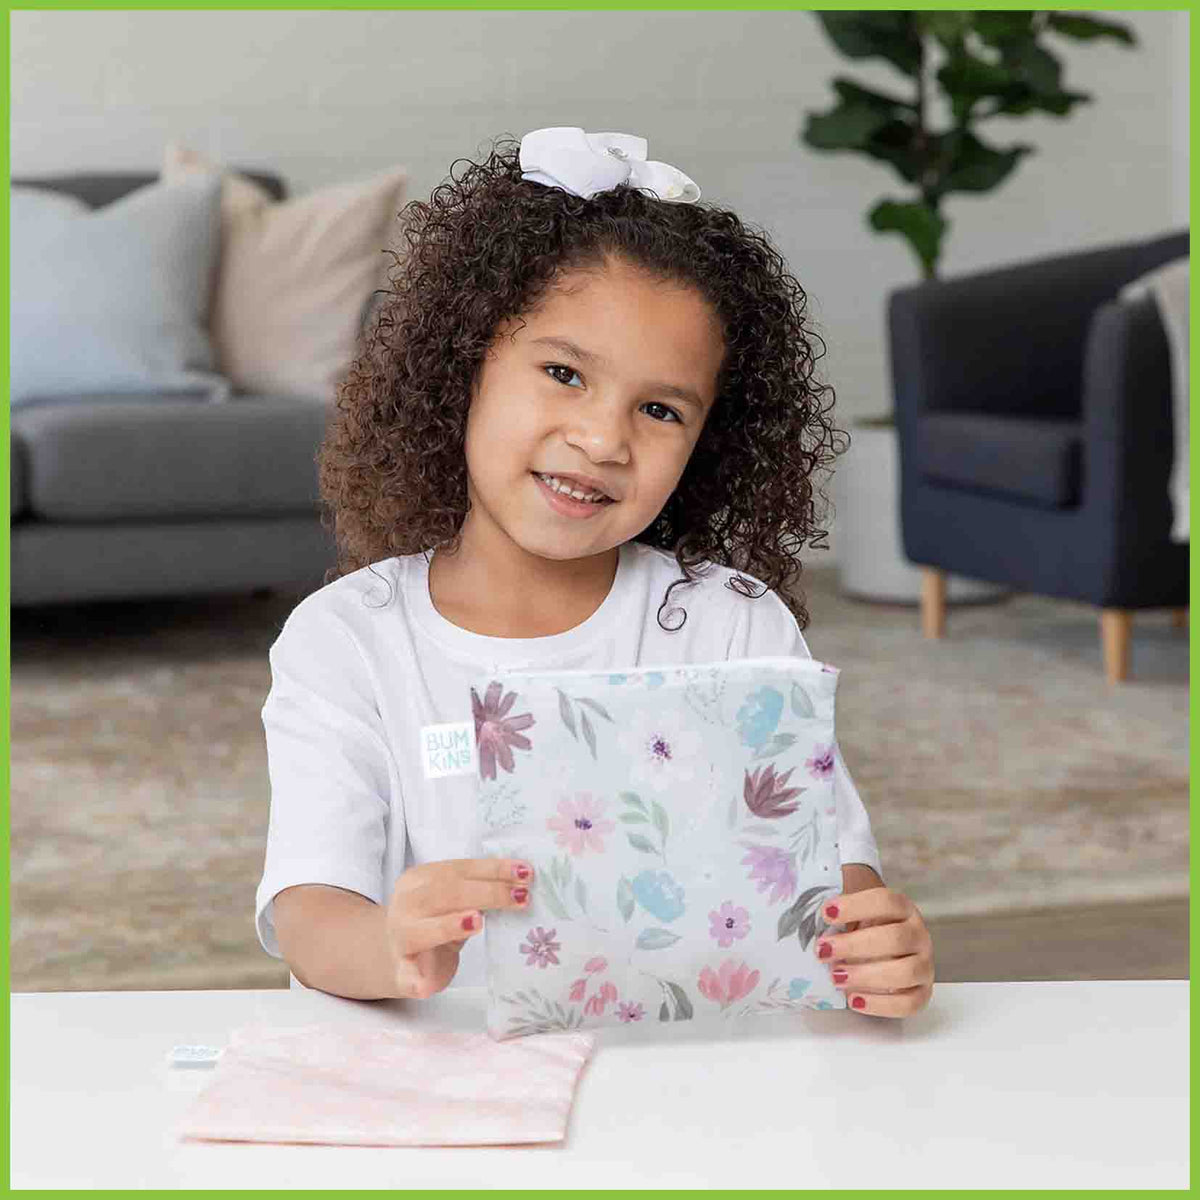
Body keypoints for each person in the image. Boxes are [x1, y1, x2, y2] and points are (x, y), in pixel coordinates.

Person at [256, 128, 934, 1019]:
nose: (605, 440)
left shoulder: (735, 625)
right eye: (563, 373)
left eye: (659, 409)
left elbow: (825, 876)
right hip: (446, 1088)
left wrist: (873, 949)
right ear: (461, 369)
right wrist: (385, 945)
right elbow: (310, 909)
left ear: (708, 443)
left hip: (689, 1087)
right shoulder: (347, 639)